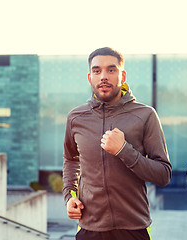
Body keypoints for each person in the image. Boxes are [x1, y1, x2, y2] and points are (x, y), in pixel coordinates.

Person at [62, 47, 172, 240]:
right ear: (90, 77)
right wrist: (70, 196)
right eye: (97, 71)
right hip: (89, 228)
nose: (103, 76)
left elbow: (163, 174)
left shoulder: (145, 115)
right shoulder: (76, 117)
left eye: (111, 70)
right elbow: (71, 159)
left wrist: (124, 150)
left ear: (123, 75)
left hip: (133, 228)